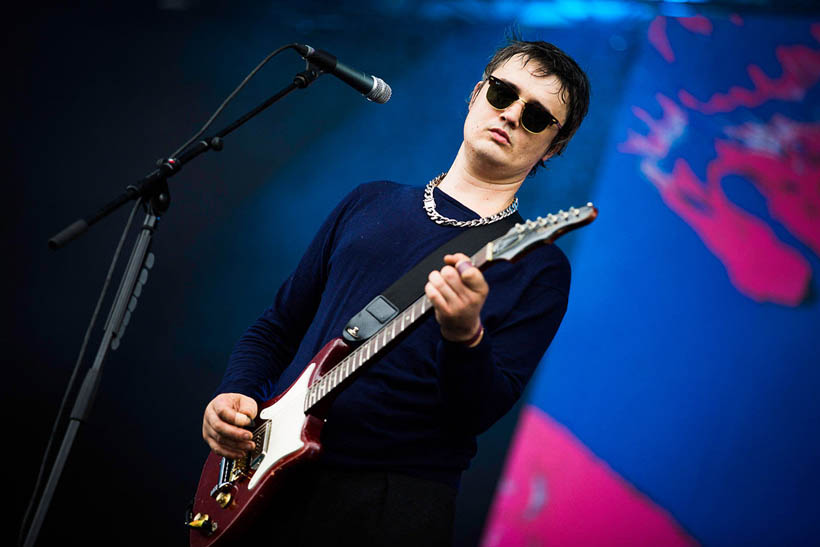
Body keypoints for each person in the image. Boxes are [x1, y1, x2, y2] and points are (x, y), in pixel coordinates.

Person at [201, 36, 590, 545]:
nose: (513, 115)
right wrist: (237, 393)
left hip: (391, 504)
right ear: (476, 95)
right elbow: (276, 327)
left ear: (555, 147)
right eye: (502, 94)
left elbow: (479, 412)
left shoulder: (536, 265)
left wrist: (464, 336)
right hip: (270, 477)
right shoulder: (370, 201)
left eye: (537, 116)